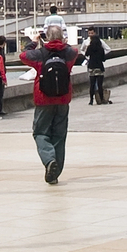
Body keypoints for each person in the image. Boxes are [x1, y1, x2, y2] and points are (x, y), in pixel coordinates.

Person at [19, 21, 81, 183]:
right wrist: (64, 43)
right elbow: (75, 51)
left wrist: (34, 41)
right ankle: (55, 172)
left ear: (46, 37)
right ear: (62, 37)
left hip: (43, 98)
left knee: (40, 133)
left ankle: (49, 160)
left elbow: (23, 56)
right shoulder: (69, 53)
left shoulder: (40, 53)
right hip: (63, 98)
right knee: (59, 136)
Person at [84, 30, 110, 104]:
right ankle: (101, 99)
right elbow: (103, 59)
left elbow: (86, 54)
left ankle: (91, 100)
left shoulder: (90, 47)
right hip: (99, 67)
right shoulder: (101, 49)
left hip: (91, 66)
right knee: (99, 85)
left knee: (92, 84)